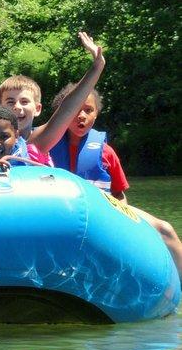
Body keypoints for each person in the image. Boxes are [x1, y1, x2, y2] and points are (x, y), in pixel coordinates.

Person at [50, 84, 182, 281]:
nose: (82, 116)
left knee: (166, 229)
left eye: (88, 110)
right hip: (62, 215)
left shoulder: (106, 153)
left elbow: (119, 194)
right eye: (76, 109)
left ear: (96, 115)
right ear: (63, 111)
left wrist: (120, 220)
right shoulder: (44, 148)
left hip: (104, 212)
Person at [0, 15, 105, 165]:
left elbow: (68, 109)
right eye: (10, 102)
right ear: (0, 107)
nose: (17, 107)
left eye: (24, 101)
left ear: (37, 109)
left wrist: (97, 67)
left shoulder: (40, 141)